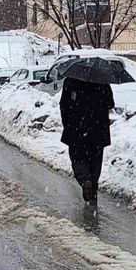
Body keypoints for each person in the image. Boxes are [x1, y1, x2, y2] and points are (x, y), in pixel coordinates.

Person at [59, 77, 115, 205]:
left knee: (77, 158)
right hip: (98, 129)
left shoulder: (71, 81)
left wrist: (67, 123)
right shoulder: (102, 81)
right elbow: (110, 103)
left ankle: (85, 181)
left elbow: (64, 105)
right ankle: (93, 187)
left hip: (76, 128)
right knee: (95, 161)